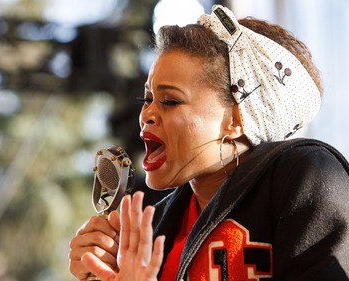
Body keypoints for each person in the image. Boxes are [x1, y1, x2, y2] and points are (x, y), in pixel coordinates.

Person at [69, 5, 349, 281]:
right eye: (148, 99)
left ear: (238, 117)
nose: (147, 114)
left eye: (170, 101)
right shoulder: (153, 232)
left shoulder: (306, 175)